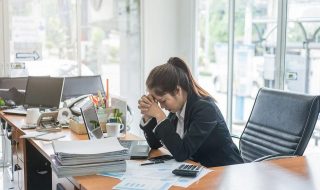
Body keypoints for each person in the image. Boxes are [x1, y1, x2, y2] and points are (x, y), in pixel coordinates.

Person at [138, 57, 243, 167]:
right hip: (200, 169)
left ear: (177, 90)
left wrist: (159, 115)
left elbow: (182, 153)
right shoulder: (177, 109)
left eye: (163, 101)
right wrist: (148, 116)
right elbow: (155, 144)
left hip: (225, 171)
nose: (162, 107)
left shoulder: (205, 109)